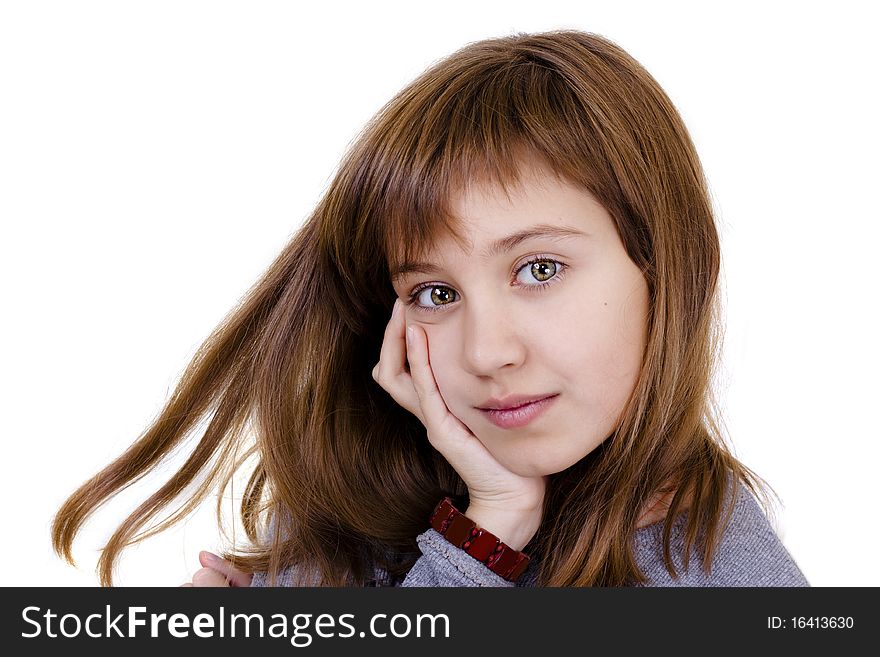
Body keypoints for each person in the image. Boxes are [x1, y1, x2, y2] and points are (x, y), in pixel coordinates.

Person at [52, 29, 808, 587]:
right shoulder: (361, 514)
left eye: (539, 268)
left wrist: (487, 533)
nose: (487, 353)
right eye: (435, 293)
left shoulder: (727, 579)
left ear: (674, 267)